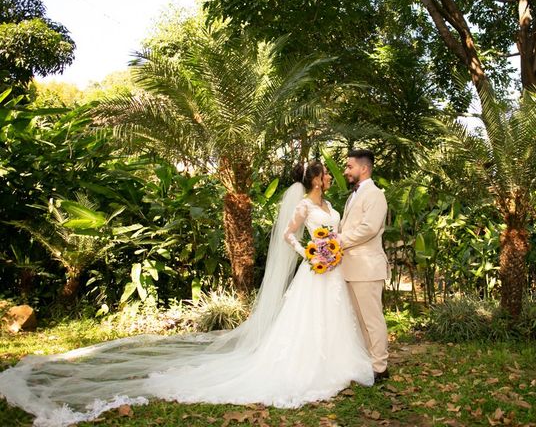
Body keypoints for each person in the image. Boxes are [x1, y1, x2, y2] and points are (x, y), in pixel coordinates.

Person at [0, 160, 374, 427]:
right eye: (327, 172)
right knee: (306, 321)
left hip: (333, 272)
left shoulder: (330, 205)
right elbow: (289, 235)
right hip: (314, 271)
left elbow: (336, 233)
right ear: (316, 179)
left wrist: (331, 249)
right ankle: (305, 365)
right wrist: (308, 254)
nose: (331, 175)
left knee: (334, 317)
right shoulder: (305, 204)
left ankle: (337, 363)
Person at [339, 149, 390, 381]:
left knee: (372, 319)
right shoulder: (354, 195)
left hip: (368, 268)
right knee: (360, 320)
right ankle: (369, 361)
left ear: (364, 168)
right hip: (351, 268)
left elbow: (369, 229)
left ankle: (380, 367)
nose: (345, 171)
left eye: (349, 167)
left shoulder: (375, 194)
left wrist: (339, 241)